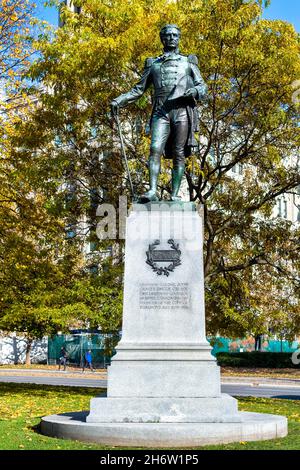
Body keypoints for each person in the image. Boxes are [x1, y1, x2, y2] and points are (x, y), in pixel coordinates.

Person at [111, 24, 207, 202]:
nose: (171, 38)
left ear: (179, 38)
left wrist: (194, 91)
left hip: (181, 111)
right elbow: (138, 90)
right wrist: (119, 100)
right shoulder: (153, 64)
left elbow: (202, 85)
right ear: (162, 39)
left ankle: (175, 194)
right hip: (161, 111)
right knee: (155, 148)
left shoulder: (188, 62)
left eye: (175, 35)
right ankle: (153, 191)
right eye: (168, 35)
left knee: (179, 152)